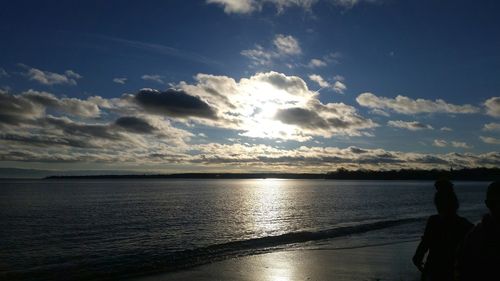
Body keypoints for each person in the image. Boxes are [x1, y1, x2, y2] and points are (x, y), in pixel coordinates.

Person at [413, 180, 473, 281]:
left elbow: (423, 246)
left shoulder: (433, 221)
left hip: (434, 269)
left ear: (437, 204)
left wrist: (418, 259)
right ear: (455, 204)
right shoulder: (465, 224)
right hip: (453, 271)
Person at [456, 181, 500, 281]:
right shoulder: (474, 235)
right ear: (488, 204)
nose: (498, 207)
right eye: (495, 203)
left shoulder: (474, 235)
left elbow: (461, 267)